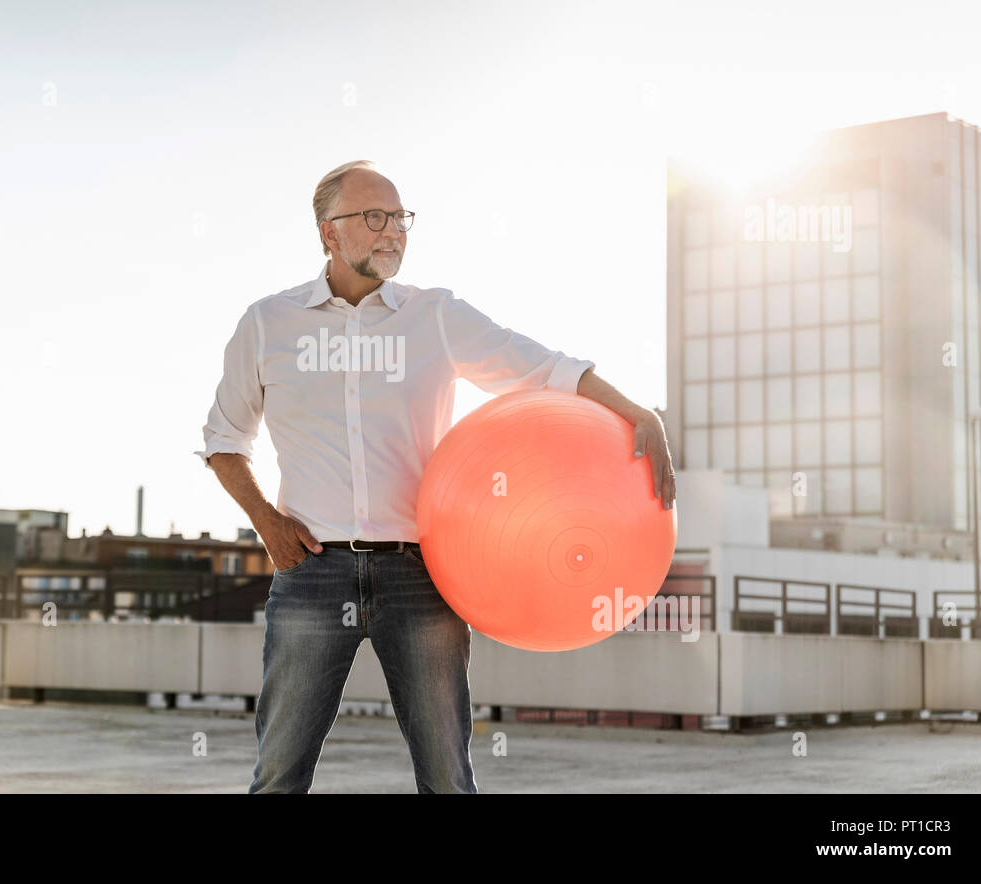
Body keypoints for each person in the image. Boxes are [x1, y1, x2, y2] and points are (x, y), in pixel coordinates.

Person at [195, 160, 675, 793]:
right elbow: (224, 439)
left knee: (448, 777)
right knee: (279, 775)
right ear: (327, 233)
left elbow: (545, 370)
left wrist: (636, 412)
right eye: (374, 217)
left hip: (421, 574)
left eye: (400, 218)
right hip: (311, 573)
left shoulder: (437, 317)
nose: (392, 231)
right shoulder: (268, 324)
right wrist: (267, 524)